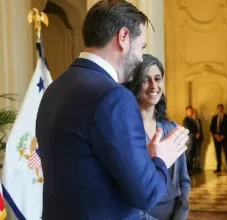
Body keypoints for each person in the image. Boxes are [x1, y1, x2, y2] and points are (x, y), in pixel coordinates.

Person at [36, 1, 188, 219]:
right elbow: (147, 194)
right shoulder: (114, 97)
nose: (140, 58)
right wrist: (160, 159)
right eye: (141, 47)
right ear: (123, 37)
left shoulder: (55, 89)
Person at [123, 54, 191, 220]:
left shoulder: (173, 129)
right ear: (134, 84)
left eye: (157, 78)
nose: (154, 85)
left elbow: (184, 182)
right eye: (146, 79)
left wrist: (180, 216)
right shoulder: (125, 131)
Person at [210, 104, 227, 173]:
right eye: (219, 108)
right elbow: (211, 128)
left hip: (224, 138)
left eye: (221, 108)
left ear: (223, 109)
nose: (220, 109)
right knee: (218, 153)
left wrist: (223, 136)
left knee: (226, 153)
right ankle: (218, 168)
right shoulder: (214, 117)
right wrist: (216, 136)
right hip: (216, 138)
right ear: (217, 109)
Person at [182, 106, 197, 172]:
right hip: (189, 141)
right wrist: (195, 134)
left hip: (193, 140)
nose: (190, 112)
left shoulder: (193, 120)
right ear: (186, 112)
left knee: (192, 155)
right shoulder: (185, 120)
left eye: (191, 111)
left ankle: (191, 169)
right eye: (189, 111)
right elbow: (189, 130)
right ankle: (188, 170)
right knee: (189, 155)